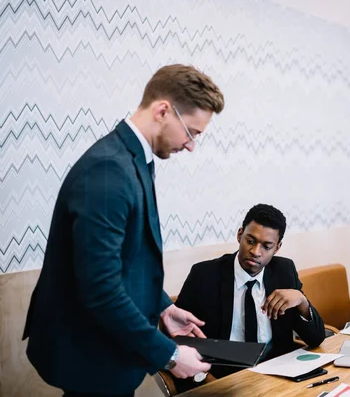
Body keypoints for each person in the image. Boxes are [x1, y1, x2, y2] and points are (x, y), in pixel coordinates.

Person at [22, 64, 225, 397]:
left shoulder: (133, 159)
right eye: (191, 132)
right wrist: (171, 355)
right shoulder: (109, 170)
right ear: (163, 110)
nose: (190, 146)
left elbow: (129, 258)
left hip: (105, 346)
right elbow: (100, 287)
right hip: (90, 352)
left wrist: (163, 307)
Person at [173, 204, 326, 392]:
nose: (255, 251)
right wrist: (207, 380)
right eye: (250, 241)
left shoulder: (284, 271)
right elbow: (179, 341)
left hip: (276, 377)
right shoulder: (204, 275)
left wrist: (302, 300)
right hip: (221, 379)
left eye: (266, 246)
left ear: (277, 247)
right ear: (240, 235)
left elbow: (316, 338)